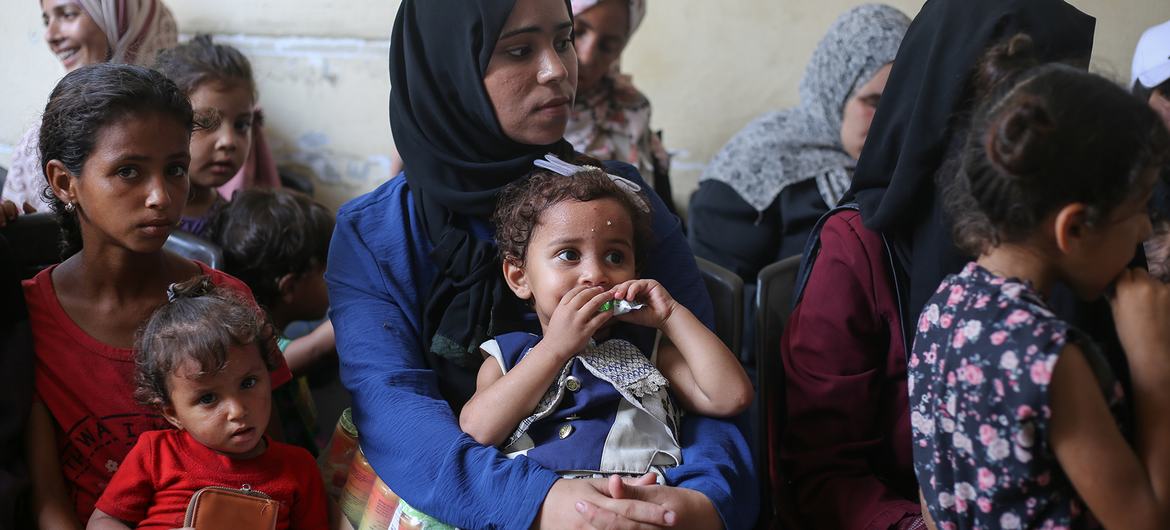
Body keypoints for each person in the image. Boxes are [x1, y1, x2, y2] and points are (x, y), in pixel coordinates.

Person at [327, 0, 756, 528]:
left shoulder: (619, 203)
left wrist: (704, 500)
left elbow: (702, 388)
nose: (557, 70)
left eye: (563, 39)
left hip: (642, 490)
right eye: (518, 50)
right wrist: (539, 503)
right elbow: (394, 413)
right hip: (461, 499)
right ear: (449, 69)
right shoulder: (376, 234)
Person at [778, 1, 1096, 529]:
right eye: (1013, 113)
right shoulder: (861, 247)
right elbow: (821, 474)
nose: (1040, 146)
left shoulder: (1084, 238)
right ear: (947, 107)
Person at [23, 63, 291, 529]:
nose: (161, 197)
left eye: (175, 170)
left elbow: (274, 467)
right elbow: (48, 500)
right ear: (65, 182)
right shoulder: (28, 314)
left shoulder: (224, 301)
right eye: (129, 171)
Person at [911, 50, 1170, 528]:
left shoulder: (944, 307)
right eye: (1139, 209)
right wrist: (1155, 365)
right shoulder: (1048, 359)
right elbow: (1145, 521)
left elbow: (933, 500)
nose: (1143, 231)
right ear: (1072, 228)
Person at [459, 160, 752, 471]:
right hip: (543, 504)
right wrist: (556, 348)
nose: (596, 274)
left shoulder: (650, 355)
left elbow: (731, 397)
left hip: (640, 503)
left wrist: (671, 315)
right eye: (569, 255)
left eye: (615, 257)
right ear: (520, 278)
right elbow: (477, 431)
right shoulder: (507, 358)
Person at [688, 4, 909, 281]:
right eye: (874, 102)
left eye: (902, 104)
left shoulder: (911, 168)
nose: (887, 122)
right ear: (835, 90)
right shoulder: (754, 167)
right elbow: (718, 297)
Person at [87, 277, 329, 530]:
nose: (237, 411)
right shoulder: (156, 454)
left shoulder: (299, 469)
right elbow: (104, 520)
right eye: (208, 398)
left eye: (248, 383)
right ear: (172, 413)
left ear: (269, 375)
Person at [2, 0, 177, 214]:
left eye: (67, 15)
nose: (51, 35)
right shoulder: (41, 139)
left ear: (122, 19)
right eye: (47, 20)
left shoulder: (188, 120)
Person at [208, 188, 336, 454]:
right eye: (329, 272)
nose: (335, 281)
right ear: (289, 287)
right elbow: (309, 349)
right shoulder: (254, 347)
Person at [153, 35, 266, 238]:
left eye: (241, 125)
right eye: (207, 122)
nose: (229, 141)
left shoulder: (236, 225)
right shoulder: (143, 218)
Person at [565, 0, 672, 202]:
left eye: (608, 46)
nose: (587, 56)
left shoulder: (630, 113)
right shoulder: (507, 109)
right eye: (576, 32)